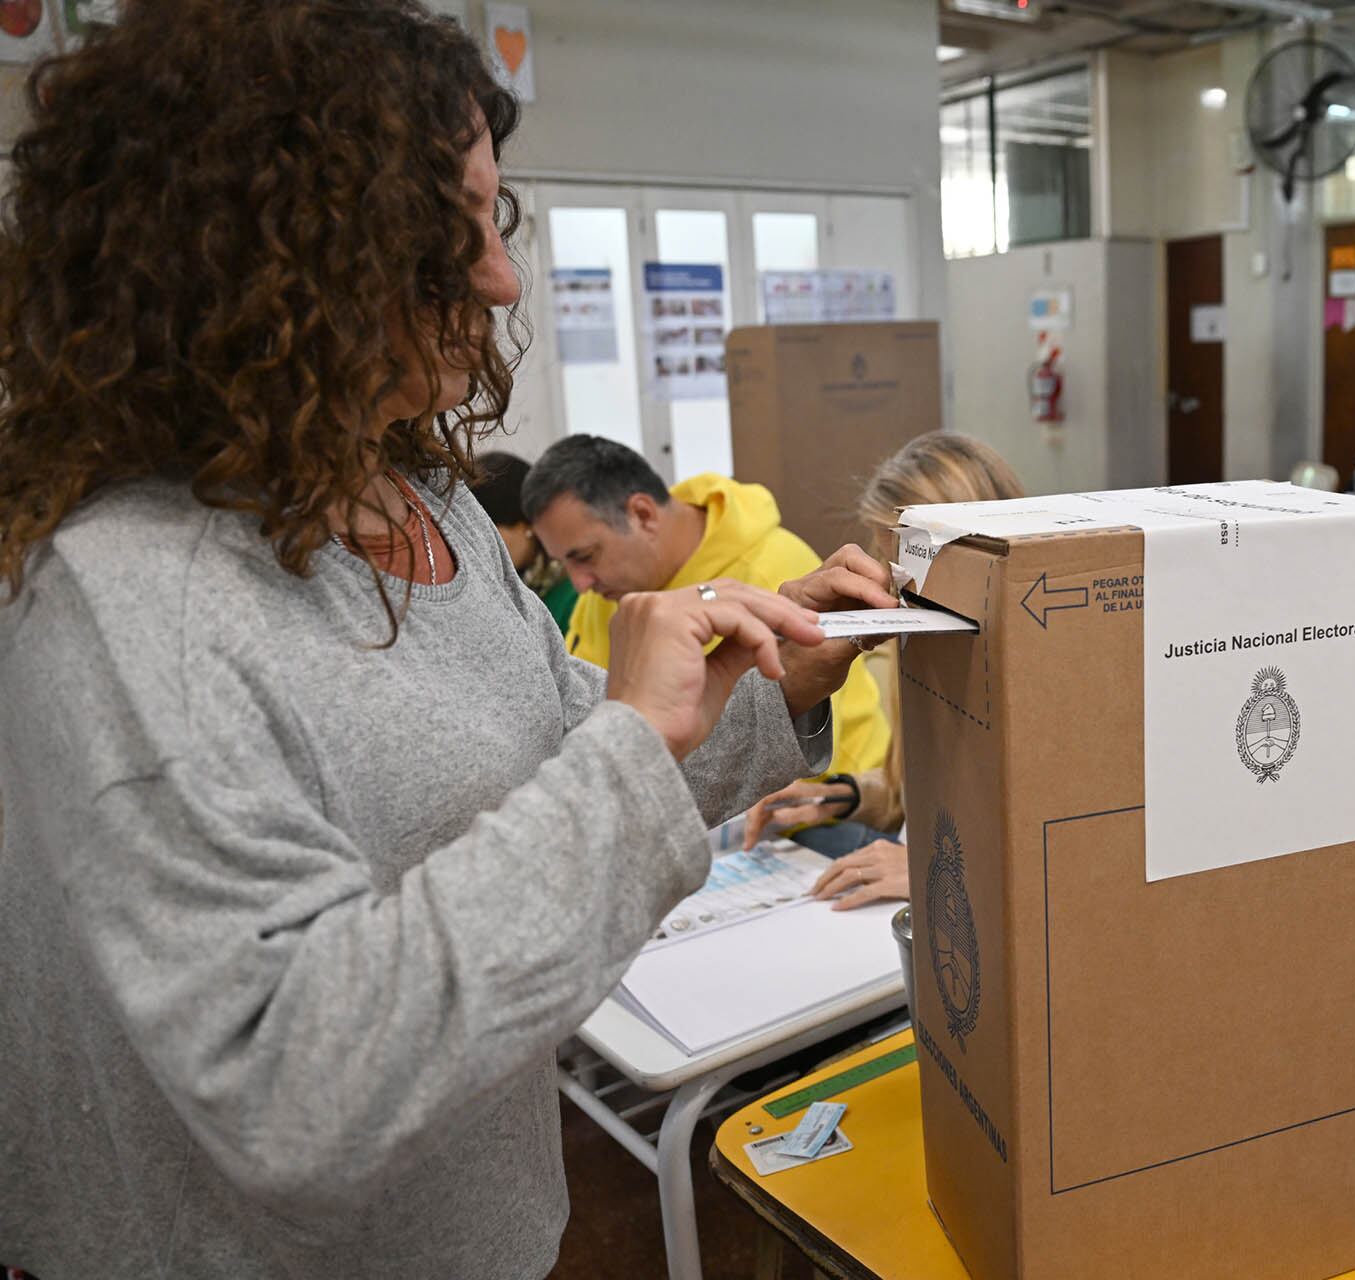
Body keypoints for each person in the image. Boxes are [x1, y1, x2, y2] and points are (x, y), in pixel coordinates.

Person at [0, 4, 895, 1277]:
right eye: (444, 232)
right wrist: (633, 733)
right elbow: (292, 1091)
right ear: (259, 257)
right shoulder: (127, 602)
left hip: (481, 1230)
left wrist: (764, 685)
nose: (500, 277)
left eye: (492, 219)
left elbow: (574, 752)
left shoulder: (423, 500)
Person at [740, 432, 1027, 909]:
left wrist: (936, 870)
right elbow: (919, 797)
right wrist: (844, 796)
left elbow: (1064, 853)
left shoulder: (1038, 665)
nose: (896, 590)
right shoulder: (926, 644)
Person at [524, 435, 891, 798]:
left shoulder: (772, 571)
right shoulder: (607, 594)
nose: (580, 583)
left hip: (825, 805)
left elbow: (792, 747)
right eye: (565, 563)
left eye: (585, 556)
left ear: (643, 514)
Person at [469, 450, 579, 631]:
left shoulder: (574, 592)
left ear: (525, 525)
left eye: (490, 534)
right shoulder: (495, 590)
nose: (480, 548)